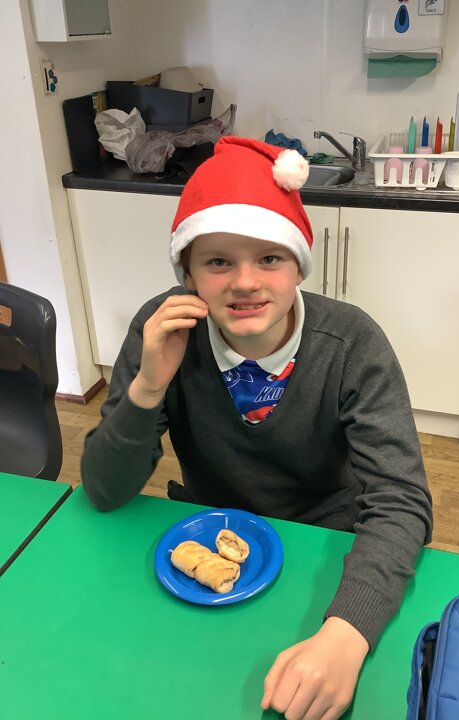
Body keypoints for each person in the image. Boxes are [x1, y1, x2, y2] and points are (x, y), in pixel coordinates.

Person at [81, 136, 432, 720]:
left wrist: (347, 635)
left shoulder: (352, 344)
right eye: (218, 261)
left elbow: (402, 501)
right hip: (211, 539)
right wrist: (147, 387)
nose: (245, 282)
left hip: (327, 546)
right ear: (189, 273)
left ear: (298, 265)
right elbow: (103, 490)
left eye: (269, 258)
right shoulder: (163, 329)